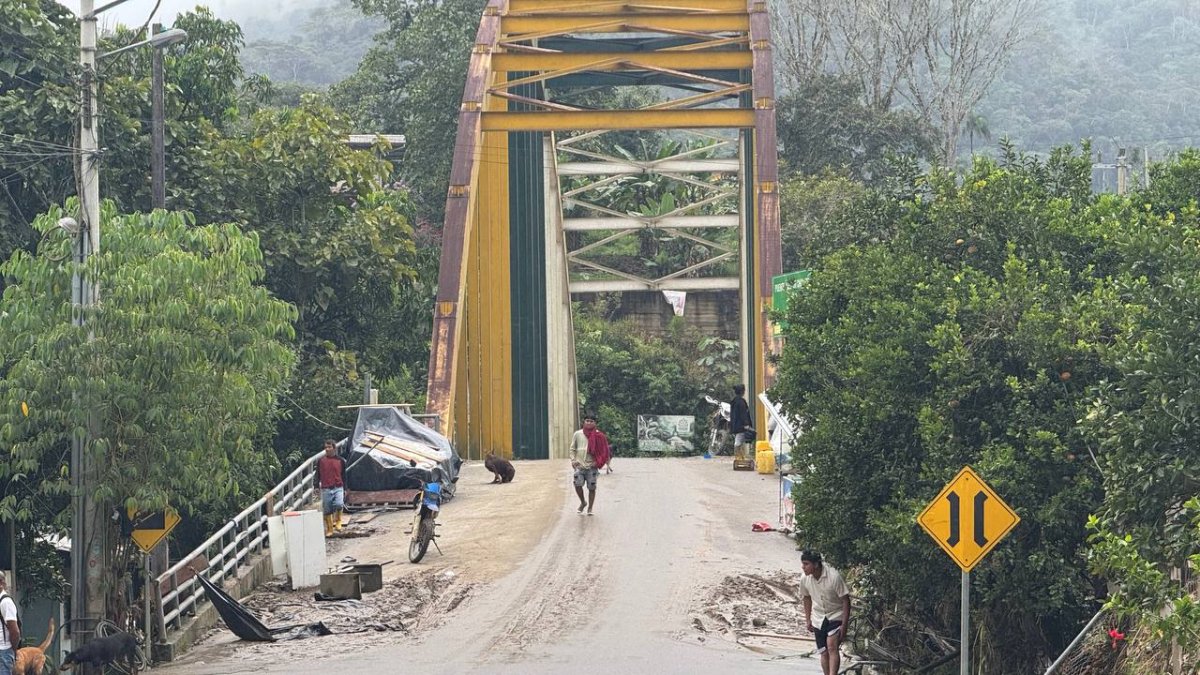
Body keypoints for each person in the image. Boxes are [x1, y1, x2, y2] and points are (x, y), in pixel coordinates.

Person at [798, 551, 851, 675]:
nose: (803, 567)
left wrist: (844, 625)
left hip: (836, 614)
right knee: (823, 651)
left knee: (832, 646)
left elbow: (845, 600)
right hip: (818, 616)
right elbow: (806, 598)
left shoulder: (833, 577)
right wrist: (808, 619)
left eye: (806, 564)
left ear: (816, 564)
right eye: (803, 564)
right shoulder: (804, 578)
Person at [570, 413, 610, 515]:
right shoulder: (577, 434)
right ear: (584, 422)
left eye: (591, 421)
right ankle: (583, 502)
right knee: (577, 484)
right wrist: (573, 460)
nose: (589, 423)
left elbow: (604, 452)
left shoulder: (599, 436)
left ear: (595, 423)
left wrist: (597, 462)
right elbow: (572, 449)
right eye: (587, 420)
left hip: (592, 467)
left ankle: (590, 508)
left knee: (592, 487)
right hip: (579, 465)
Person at [314, 439, 347, 536]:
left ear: (334, 448)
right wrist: (316, 486)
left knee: (339, 504)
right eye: (325, 448)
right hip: (326, 487)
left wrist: (346, 488)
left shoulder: (340, 461)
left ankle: (338, 521)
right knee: (327, 508)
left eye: (329, 447)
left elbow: (344, 475)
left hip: (338, 486)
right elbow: (317, 474)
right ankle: (329, 528)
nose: (327, 449)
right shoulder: (321, 461)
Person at [0, 573, 20, 675]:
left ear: (1, 583)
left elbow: (15, 631)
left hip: (3, 652)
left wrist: (12, 649)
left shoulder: (5, 602)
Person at [730, 384, 754, 459]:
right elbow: (743, 414)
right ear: (742, 391)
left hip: (735, 425)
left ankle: (740, 457)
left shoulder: (734, 401)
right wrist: (746, 424)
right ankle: (738, 457)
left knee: (739, 441)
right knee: (738, 442)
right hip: (741, 426)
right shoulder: (741, 402)